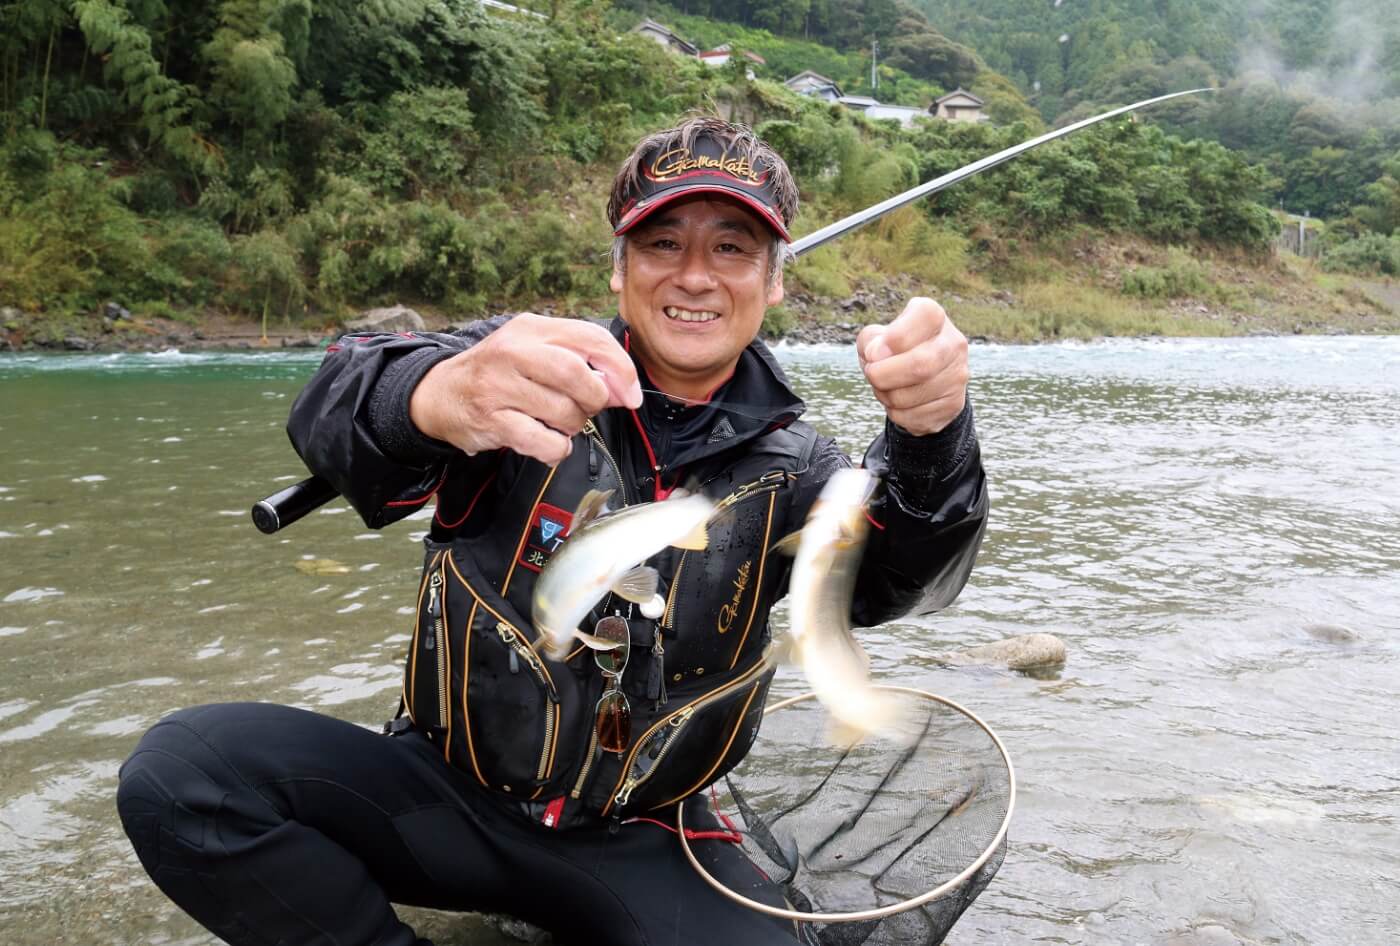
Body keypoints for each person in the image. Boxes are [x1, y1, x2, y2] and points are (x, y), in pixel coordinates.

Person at [116, 117, 989, 946]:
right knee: (184, 776)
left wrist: (934, 437)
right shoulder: (511, 376)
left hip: (648, 836)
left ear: (775, 280)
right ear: (620, 269)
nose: (694, 275)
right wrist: (429, 398)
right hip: (442, 795)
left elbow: (902, 585)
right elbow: (341, 403)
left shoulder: (804, 468)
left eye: (731, 247)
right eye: (662, 243)